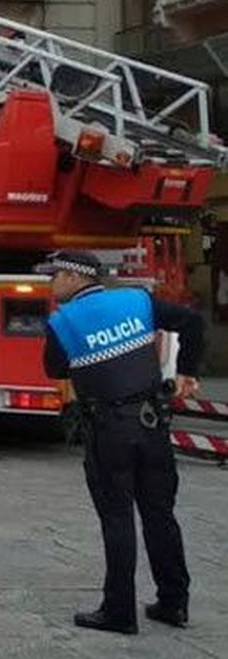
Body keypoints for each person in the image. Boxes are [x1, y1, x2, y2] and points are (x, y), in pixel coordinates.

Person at [40, 249, 205, 635]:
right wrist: (187, 373)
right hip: (153, 424)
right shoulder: (137, 299)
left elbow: (55, 368)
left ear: (73, 277)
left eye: (56, 276)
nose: (52, 284)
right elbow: (192, 321)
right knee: (160, 514)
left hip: (109, 428)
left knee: (117, 519)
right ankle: (173, 602)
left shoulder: (63, 321)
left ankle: (119, 611)